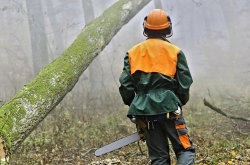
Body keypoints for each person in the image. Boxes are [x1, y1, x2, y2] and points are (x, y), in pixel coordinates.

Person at [119, 9, 195, 165]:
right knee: (185, 150)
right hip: (170, 109)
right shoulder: (175, 52)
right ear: (168, 29)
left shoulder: (132, 53)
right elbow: (185, 83)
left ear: (146, 28)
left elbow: (126, 85)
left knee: (159, 157)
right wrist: (177, 102)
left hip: (145, 112)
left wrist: (136, 106)